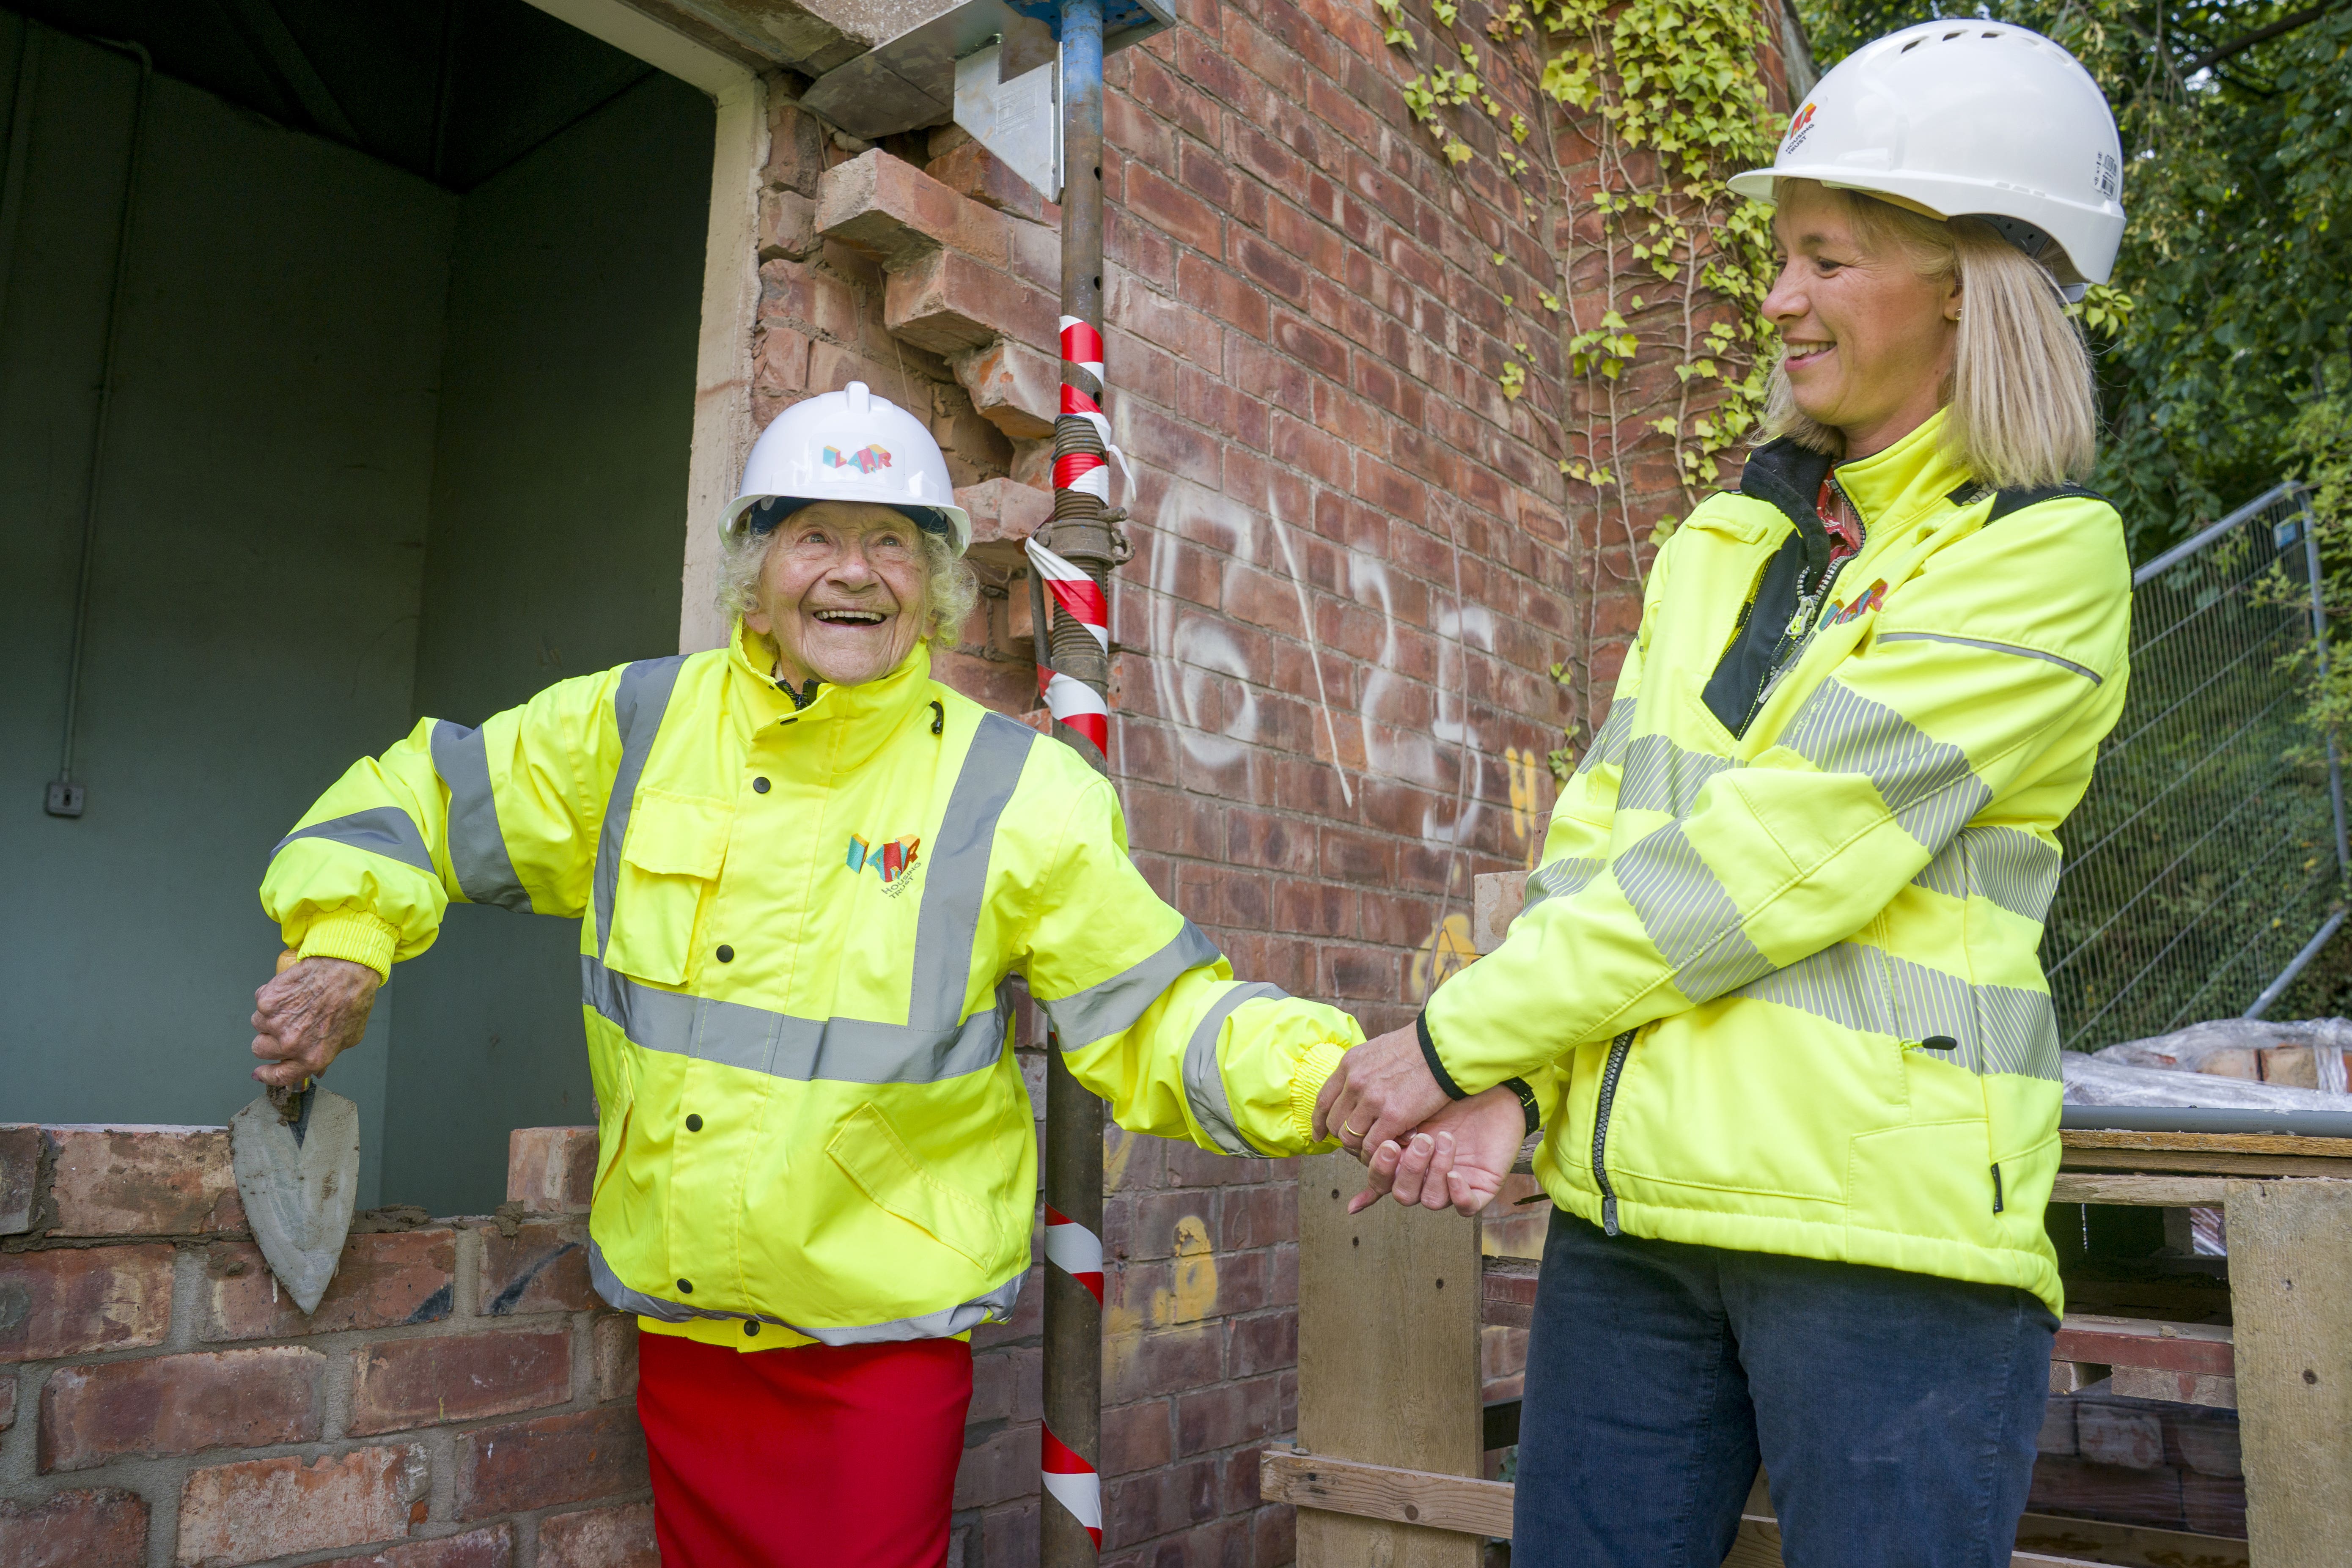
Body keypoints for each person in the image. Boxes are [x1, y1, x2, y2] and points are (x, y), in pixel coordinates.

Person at [248, 382, 1367, 1568]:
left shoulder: (1014, 793)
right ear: (757, 565)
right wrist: (344, 942)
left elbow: (1156, 1011)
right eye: (815, 534)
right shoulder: (639, 725)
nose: (853, 571)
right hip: (685, 1337)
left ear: (936, 582)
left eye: (892, 539)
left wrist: (1336, 1081)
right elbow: (419, 801)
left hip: (872, 1358)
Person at [1318, 22, 2132, 1566]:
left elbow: (1773, 863)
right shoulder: (1726, 540)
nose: (1776, 301)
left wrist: (1449, 1041)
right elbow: (1606, 841)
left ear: (1968, 282)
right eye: (1782, 259)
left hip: (1880, 1241)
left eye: (1824, 259)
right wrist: (1525, 1089)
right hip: (1637, 1232)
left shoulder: (2042, 557)